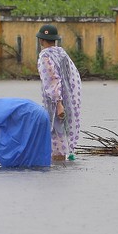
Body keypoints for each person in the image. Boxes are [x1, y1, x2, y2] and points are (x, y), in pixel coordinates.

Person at [36, 24, 82, 161]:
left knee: (55, 133)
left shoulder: (45, 56)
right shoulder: (62, 53)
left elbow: (51, 79)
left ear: (41, 40)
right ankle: (64, 159)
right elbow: (73, 76)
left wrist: (58, 102)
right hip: (68, 98)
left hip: (55, 101)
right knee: (64, 130)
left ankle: (58, 163)